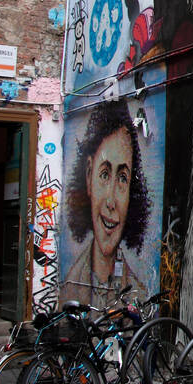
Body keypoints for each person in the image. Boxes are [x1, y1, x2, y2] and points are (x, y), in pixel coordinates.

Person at [64, 100, 153, 309]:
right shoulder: (68, 289)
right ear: (88, 176)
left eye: (122, 178)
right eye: (104, 174)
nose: (111, 202)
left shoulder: (140, 297)